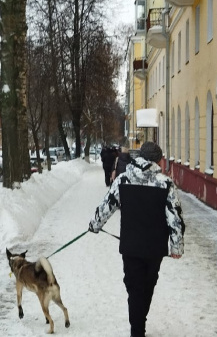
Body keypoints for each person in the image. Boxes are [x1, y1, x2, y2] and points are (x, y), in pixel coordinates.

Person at [88, 141, 185, 337]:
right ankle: (139, 326)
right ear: (158, 160)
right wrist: (176, 247)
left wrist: (95, 224)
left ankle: (137, 328)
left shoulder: (123, 180)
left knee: (134, 288)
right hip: (155, 247)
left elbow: (107, 204)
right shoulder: (165, 183)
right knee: (148, 285)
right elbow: (174, 217)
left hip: (131, 246)